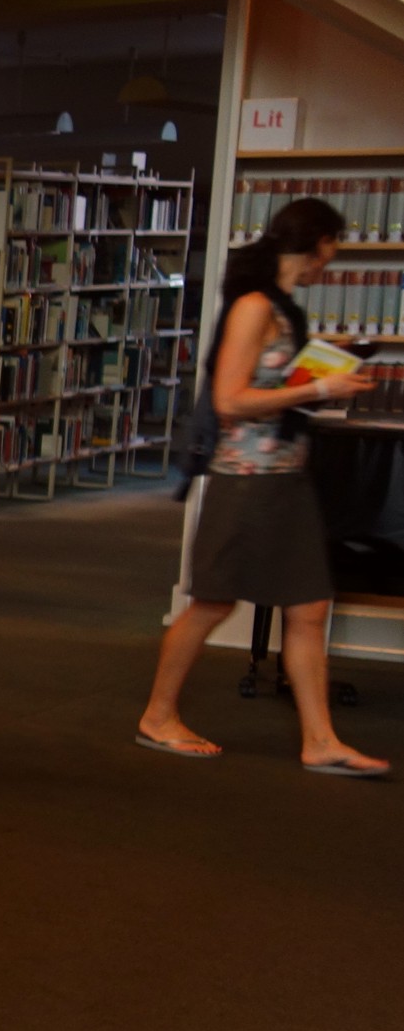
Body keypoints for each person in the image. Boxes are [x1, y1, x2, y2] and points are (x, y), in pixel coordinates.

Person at [137, 196, 389, 776]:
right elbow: (231, 401)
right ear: (319, 243)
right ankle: (157, 716)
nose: (332, 258)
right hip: (246, 479)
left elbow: (269, 382)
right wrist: (319, 389)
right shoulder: (254, 306)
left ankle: (320, 739)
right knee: (212, 601)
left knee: (310, 606)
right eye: (333, 245)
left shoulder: (281, 306)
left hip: (285, 478)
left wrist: (322, 368)